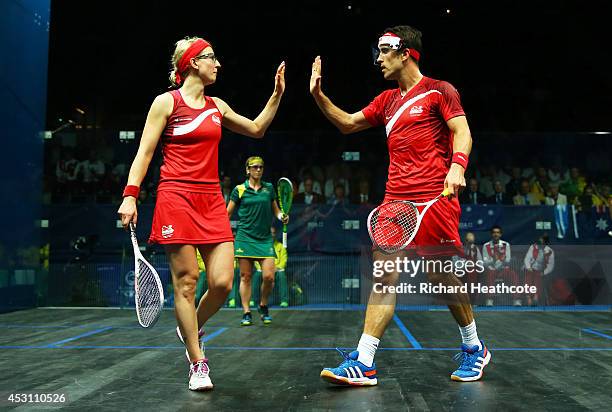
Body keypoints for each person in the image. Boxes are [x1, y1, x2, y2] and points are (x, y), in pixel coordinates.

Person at [310, 25, 490, 385]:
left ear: (404, 52)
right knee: (383, 275)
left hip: (436, 197)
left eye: (384, 51)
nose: (378, 59)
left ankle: (474, 347)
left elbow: (463, 131)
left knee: (440, 277)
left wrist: (457, 166)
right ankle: (364, 359)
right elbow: (347, 123)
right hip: (395, 201)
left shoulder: (440, 91)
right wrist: (318, 95)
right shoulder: (386, 100)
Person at [117, 36, 285, 391]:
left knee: (223, 282)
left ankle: (187, 325)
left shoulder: (217, 106)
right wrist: (130, 196)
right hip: (175, 197)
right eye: (211, 58)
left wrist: (276, 95)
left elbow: (256, 129)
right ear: (193, 62)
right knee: (188, 281)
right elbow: (145, 153)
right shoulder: (166, 103)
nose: (218, 64)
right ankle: (198, 362)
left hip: (210, 199)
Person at [226, 156, 289, 326]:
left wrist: (281, 216)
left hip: (264, 240)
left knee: (269, 276)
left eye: (260, 167)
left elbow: (276, 211)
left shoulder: (268, 189)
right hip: (245, 238)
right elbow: (227, 214)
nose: (258, 170)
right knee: (245, 276)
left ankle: (263, 304)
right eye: (254, 167)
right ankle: (246, 312)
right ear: (247, 170)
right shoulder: (239, 190)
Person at [482, 225, 521, 306]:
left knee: (513, 275)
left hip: (504, 269)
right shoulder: (486, 246)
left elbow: (508, 259)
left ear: (500, 234)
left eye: (497, 233)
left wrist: (500, 260)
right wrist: (494, 260)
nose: (496, 234)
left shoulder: (506, 244)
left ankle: (516, 299)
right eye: (494, 233)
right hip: (492, 269)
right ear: (491, 234)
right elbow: (485, 262)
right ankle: (489, 299)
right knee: (490, 273)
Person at [252, 226, 290, 307]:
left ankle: (284, 300)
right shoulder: (260, 245)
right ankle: (252, 300)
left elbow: (284, 259)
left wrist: (278, 267)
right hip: (263, 270)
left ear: (275, 234)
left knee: (281, 275)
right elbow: (256, 260)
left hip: (277, 270)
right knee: (257, 274)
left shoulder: (280, 246)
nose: (272, 235)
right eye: (270, 233)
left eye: (273, 233)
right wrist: (263, 268)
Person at [523, 234, 555, 305]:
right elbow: (527, 259)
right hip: (530, 269)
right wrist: (528, 267)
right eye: (539, 241)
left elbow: (551, 266)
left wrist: (544, 272)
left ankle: (536, 296)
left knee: (538, 277)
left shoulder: (549, 251)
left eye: (542, 241)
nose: (540, 243)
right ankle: (528, 297)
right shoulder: (533, 247)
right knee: (528, 276)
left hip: (540, 270)